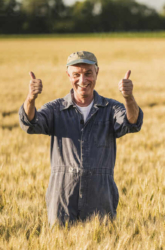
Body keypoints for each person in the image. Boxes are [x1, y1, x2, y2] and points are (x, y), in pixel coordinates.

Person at [18, 51, 143, 227]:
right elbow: (30, 123)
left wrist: (129, 98)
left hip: (100, 196)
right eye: (76, 74)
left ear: (97, 72)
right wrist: (30, 98)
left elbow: (132, 123)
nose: (82, 80)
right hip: (62, 197)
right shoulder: (56, 109)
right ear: (68, 75)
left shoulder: (111, 108)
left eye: (88, 73)